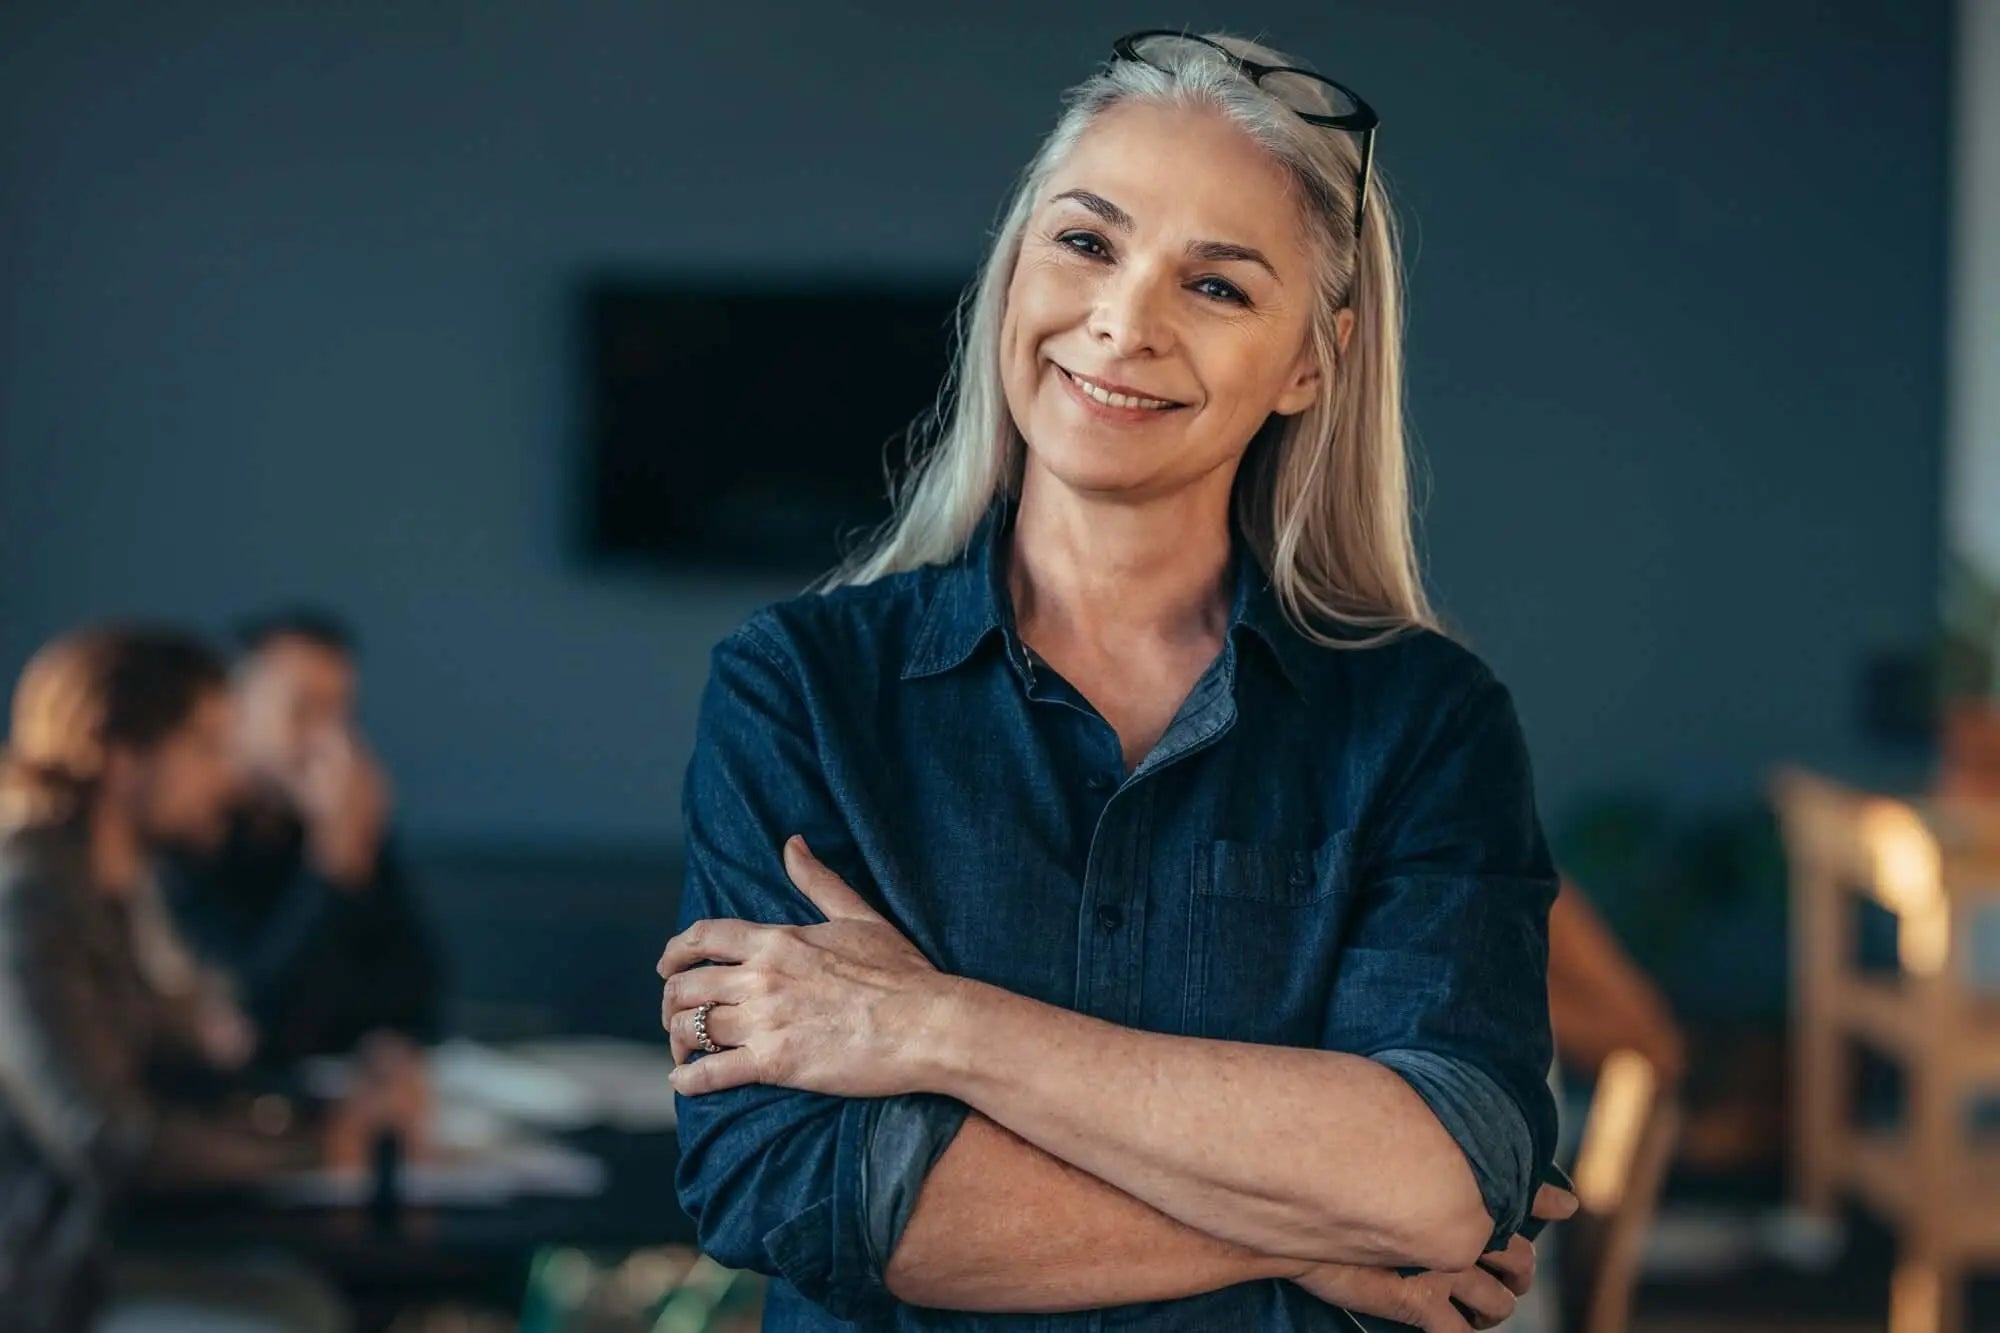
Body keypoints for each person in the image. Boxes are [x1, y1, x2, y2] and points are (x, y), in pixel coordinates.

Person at [657, 29, 1575, 1333]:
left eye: (1217, 286)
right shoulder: (798, 689)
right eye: (1087, 243)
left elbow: (1441, 1176)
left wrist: (941, 1028)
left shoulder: (1426, 722)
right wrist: (1316, 1237)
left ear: (1313, 360)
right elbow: (796, 1188)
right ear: (1017, 263)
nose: (1123, 321)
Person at [0, 625, 401, 1333]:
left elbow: (196, 1068)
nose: (226, 774)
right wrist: (318, 1149)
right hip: (54, 1280)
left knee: (316, 1298)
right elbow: (109, 1139)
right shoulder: (30, 902)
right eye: (207, 746)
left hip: (118, 1249)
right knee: (302, 1314)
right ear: (122, 758)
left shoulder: (111, 895)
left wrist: (329, 1109)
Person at [160, 609, 444, 1067]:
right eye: (304, 709)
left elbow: (417, 999)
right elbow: (250, 1017)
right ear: (233, 709)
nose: (329, 737)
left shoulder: (337, 819)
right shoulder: (186, 831)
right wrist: (332, 863)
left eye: (340, 711)